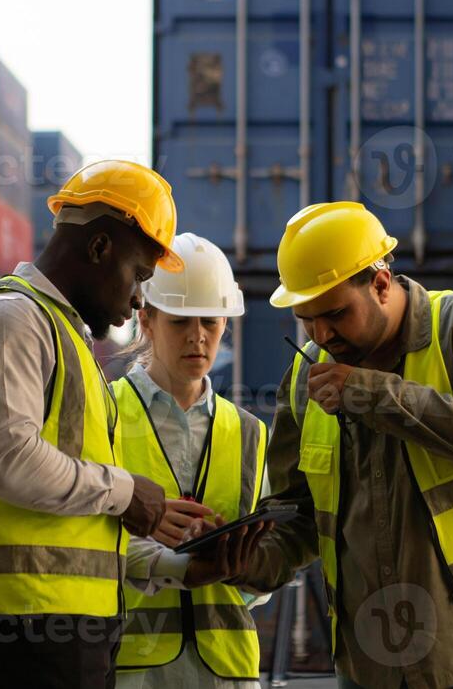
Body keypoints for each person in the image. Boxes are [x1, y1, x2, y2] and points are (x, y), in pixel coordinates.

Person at [0, 160, 265, 689]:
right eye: (140, 275)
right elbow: (2, 456)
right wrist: (125, 493)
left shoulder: (64, 339)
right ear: (100, 248)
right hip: (25, 618)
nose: (139, 297)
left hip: (59, 619)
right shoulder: (10, 319)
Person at [233, 202, 453, 688]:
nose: (321, 335)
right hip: (379, 667)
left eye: (335, 314)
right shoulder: (303, 379)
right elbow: (297, 516)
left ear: (381, 283)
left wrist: (370, 393)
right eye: (306, 320)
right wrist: (245, 560)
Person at [112, 233, 269, 689]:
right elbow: (76, 544)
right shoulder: (106, 411)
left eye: (210, 322)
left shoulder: (249, 433)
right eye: (180, 320)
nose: (198, 336)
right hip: (133, 669)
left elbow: (263, 576)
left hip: (228, 670)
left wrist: (233, 558)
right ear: (147, 320)